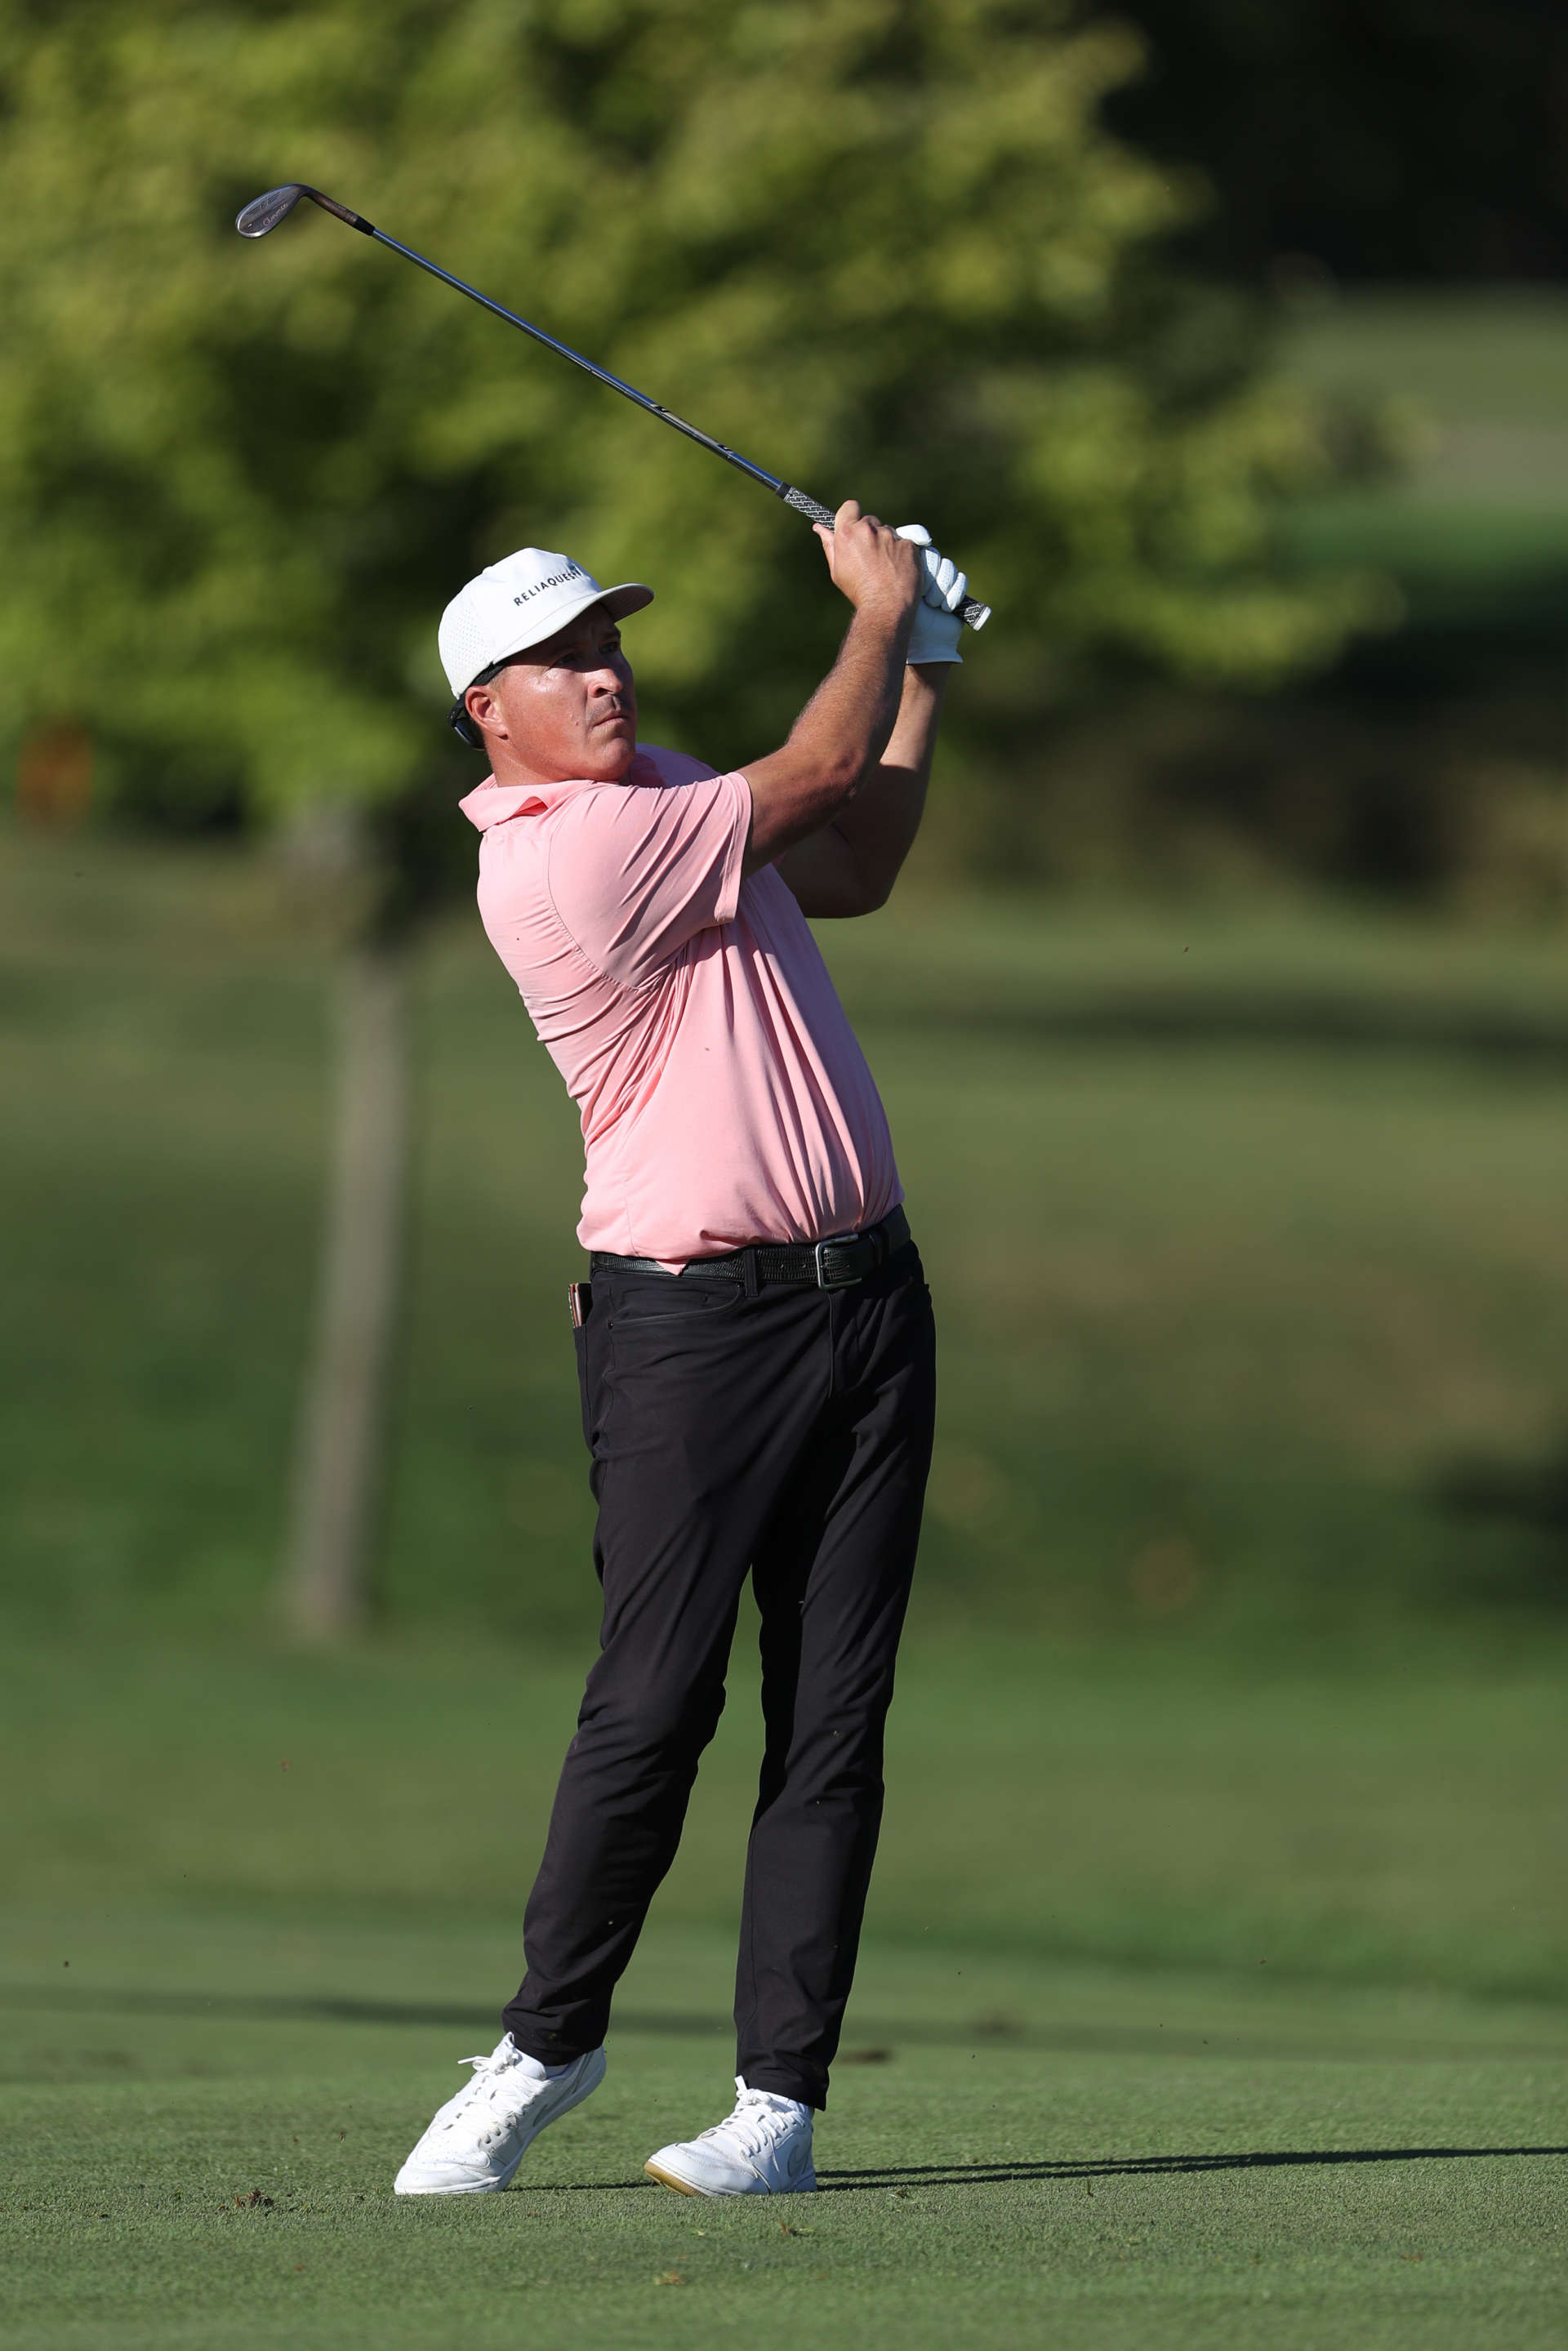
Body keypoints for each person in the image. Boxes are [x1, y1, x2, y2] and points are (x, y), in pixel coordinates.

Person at [394, 504, 968, 2200]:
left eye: (609, 643)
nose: (603, 674)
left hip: (867, 1303)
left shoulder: (664, 794)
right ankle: (544, 2048)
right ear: (487, 708)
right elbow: (809, 774)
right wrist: (874, 616)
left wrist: (923, 663)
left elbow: (854, 855)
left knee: (834, 1719)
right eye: (562, 660)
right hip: (690, 1324)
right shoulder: (555, 853)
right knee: (653, 1702)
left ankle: (775, 2109)